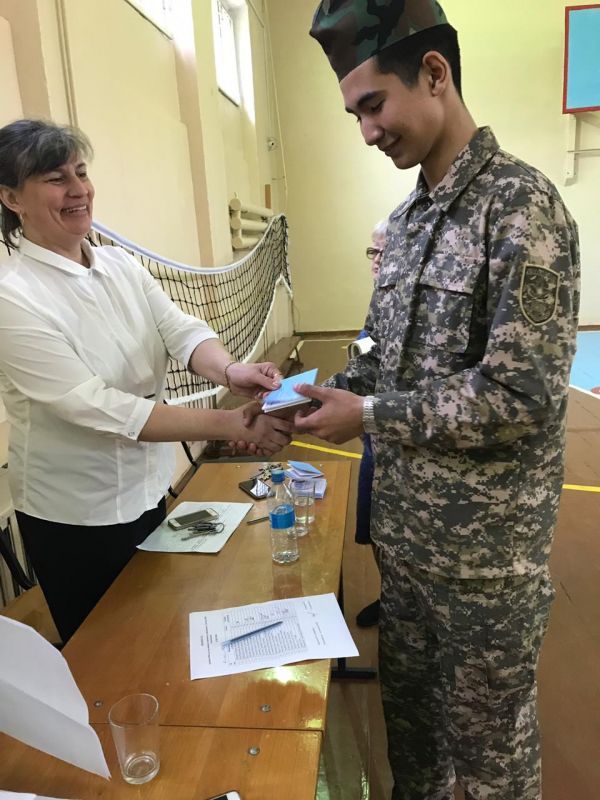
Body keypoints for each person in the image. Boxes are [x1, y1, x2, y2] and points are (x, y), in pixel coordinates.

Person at [297, 3, 581, 799]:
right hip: (407, 553)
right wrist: (318, 394)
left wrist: (369, 416)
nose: (366, 132)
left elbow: (520, 393)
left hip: (485, 569)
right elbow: (376, 350)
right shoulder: (405, 222)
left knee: (491, 767)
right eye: (354, 115)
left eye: (373, 106)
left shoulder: (521, 208)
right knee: (414, 748)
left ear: (434, 73)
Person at [0, 118, 293, 643]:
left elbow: (180, 330)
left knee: (159, 630)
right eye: (56, 178)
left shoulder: (119, 265)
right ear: (11, 197)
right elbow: (97, 406)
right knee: (105, 652)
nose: (78, 189)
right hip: (74, 515)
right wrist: (230, 422)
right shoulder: (12, 295)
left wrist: (232, 371)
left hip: (146, 490)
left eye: (81, 172)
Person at [354, 218, 387, 628]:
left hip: (398, 439)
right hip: (373, 443)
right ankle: (390, 596)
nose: (377, 260)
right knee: (373, 528)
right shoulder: (380, 301)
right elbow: (364, 356)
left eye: (385, 251)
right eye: (373, 251)